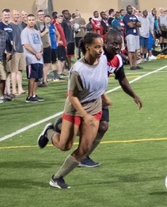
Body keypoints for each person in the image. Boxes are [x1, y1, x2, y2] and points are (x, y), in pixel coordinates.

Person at [36, 32, 108, 189]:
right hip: (75, 108)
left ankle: (57, 177)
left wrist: (103, 97)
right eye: (97, 47)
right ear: (87, 48)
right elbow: (73, 96)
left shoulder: (102, 59)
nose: (101, 50)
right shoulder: (78, 70)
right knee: (65, 146)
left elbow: (98, 80)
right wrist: (84, 115)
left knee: (84, 148)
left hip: (94, 107)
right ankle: (49, 132)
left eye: (101, 46)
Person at [63, 29, 143, 168]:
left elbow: (122, 79)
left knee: (103, 126)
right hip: (83, 95)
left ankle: (84, 156)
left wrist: (134, 95)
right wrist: (102, 95)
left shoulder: (117, 59)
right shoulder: (97, 55)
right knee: (78, 131)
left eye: (119, 43)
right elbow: (85, 73)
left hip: (98, 96)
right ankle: (59, 130)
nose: (117, 46)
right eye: (114, 43)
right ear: (105, 43)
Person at [22, 12, 44, 102]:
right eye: (29, 20)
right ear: (26, 21)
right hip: (31, 58)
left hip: (39, 58)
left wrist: (40, 52)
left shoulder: (36, 32)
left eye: (32, 20)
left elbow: (41, 44)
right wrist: (36, 53)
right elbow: (26, 45)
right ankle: (29, 96)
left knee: (37, 78)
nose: (31, 22)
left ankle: (34, 94)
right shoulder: (25, 32)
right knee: (32, 77)